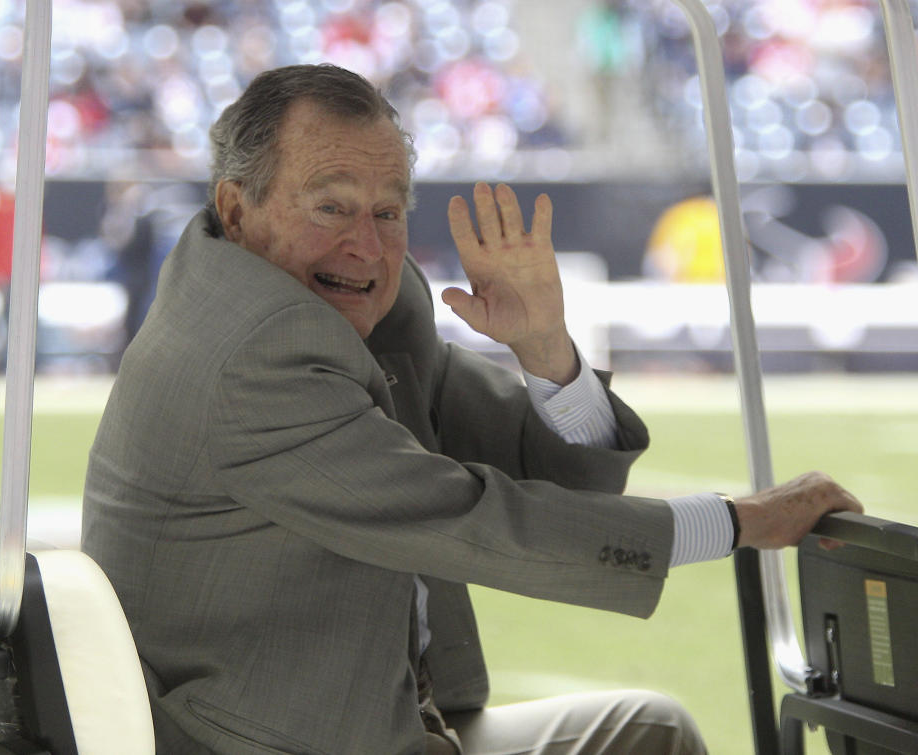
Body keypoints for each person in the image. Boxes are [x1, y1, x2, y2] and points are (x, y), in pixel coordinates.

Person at [81, 64, 862, 755]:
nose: (367, 244)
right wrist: (734, 520)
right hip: (272, 736)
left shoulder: (363, 307)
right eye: (330, 207)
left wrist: (546, 351)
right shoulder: (253, 352)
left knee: (649, 730)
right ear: (238, 207)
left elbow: (565, 482)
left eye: (388, 212)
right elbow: (478, 522)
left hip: (383, 718)